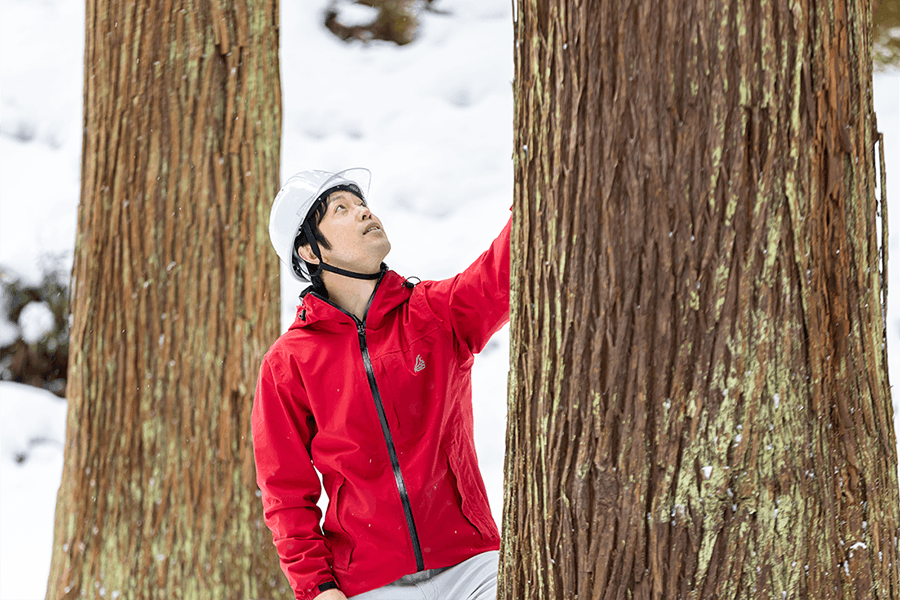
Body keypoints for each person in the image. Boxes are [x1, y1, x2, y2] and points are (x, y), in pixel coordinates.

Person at [252, 168, 511, 600]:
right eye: (341, 209)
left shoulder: (431, 313)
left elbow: (498, 276)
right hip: (372, 584)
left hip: (471, 564)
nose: (363, 213)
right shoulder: (289, 363)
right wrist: (317, 588)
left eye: (361, 204)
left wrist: (538, 190)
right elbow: (285, 491)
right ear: (310, 252)